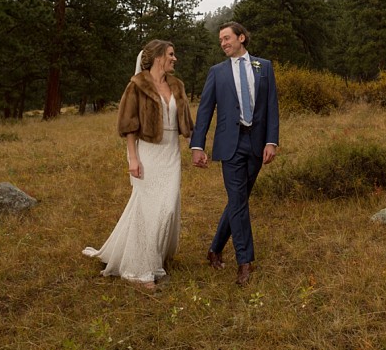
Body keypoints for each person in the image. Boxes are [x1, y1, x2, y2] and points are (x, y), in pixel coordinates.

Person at [82, 40, 193, 290]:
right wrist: (133, 158)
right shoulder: (137, 85)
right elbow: (129, 125)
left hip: (171, 153)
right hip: (148, 153)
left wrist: (196, 147)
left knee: (168, 209)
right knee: (148, 209)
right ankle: (139, 269)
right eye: (171, 55)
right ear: (157, 58)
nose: (175, 59)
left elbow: (186, 120)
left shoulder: (177, 85)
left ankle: (153, 257)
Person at [191, 21, 279, 286]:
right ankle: (245, 262)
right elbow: (205, 110)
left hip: (257, 144)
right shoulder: (216, 72)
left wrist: (271, 141)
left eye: (227, 38)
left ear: (241, 38)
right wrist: (198, 145)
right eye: (220, 40)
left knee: (237, 200)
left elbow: (272, 107)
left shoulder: (264, 67)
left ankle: (214, 249)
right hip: (230, 144)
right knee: (239, 202)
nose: (223, 43)